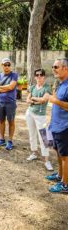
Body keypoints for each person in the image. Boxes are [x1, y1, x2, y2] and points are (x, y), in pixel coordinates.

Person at [46, 58, 68, 193]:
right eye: (53, 67)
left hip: (65, 127)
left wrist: (55, 100)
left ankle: (65, 185)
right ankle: (60, 176)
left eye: (56, 67)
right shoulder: (61, 84)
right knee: (59, 153)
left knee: (65, 156)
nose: (53, 69)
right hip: (56, 125)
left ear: (66, 68)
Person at [25, 68, 53, 171]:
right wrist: (35, 101)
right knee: (32, 134)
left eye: (41, 75)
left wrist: (34, 99)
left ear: (44, 76)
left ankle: (46, 160)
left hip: (40, 115)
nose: (39, 77)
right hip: (30, 113)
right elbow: (27, 100)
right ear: (35, 76)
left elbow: (43, 99)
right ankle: (34, 152)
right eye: (37, 75)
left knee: (44, 137)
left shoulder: (47, 88)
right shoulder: (32, 87)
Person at [0, 58, 18, 151]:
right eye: (5, 65)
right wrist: (5, 88)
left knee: (11, 121)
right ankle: (2, 139)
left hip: (10, 103)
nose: (7, 66)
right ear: (2, 65)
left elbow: (11, 86)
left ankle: (10, 141)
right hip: (0, 102)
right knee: (1, 121)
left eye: (8, 65)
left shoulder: (14, 75)